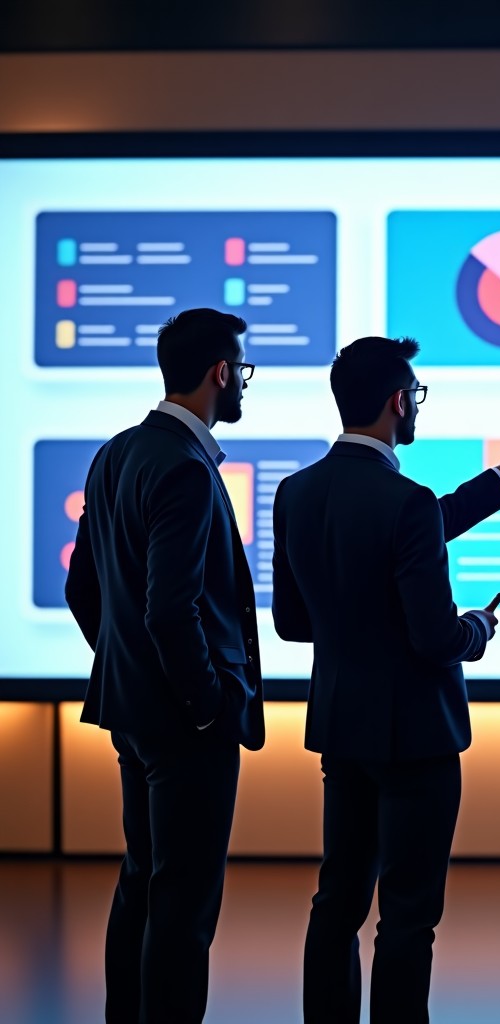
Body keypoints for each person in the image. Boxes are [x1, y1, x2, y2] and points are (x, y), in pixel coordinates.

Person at [271, 335, 500, 1024]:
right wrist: (478, 629)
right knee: (407, 915)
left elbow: (291, 622)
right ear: (400, 401)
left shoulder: (295, 492)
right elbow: (435, 637)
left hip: (341, 727)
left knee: (337, 900)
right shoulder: (407, 501)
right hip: (417, 739)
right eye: (417, 395)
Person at [64, 307, 265, 1024]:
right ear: (219, 372)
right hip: (187, 723)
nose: (243, 383)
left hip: (135, 714)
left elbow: (80, 590)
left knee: (144, 883)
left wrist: (129, 671)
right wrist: (207, 702)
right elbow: (169, 610)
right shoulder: (183, 468)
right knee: (183, 906)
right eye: (241, 370)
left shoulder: (115, 454)